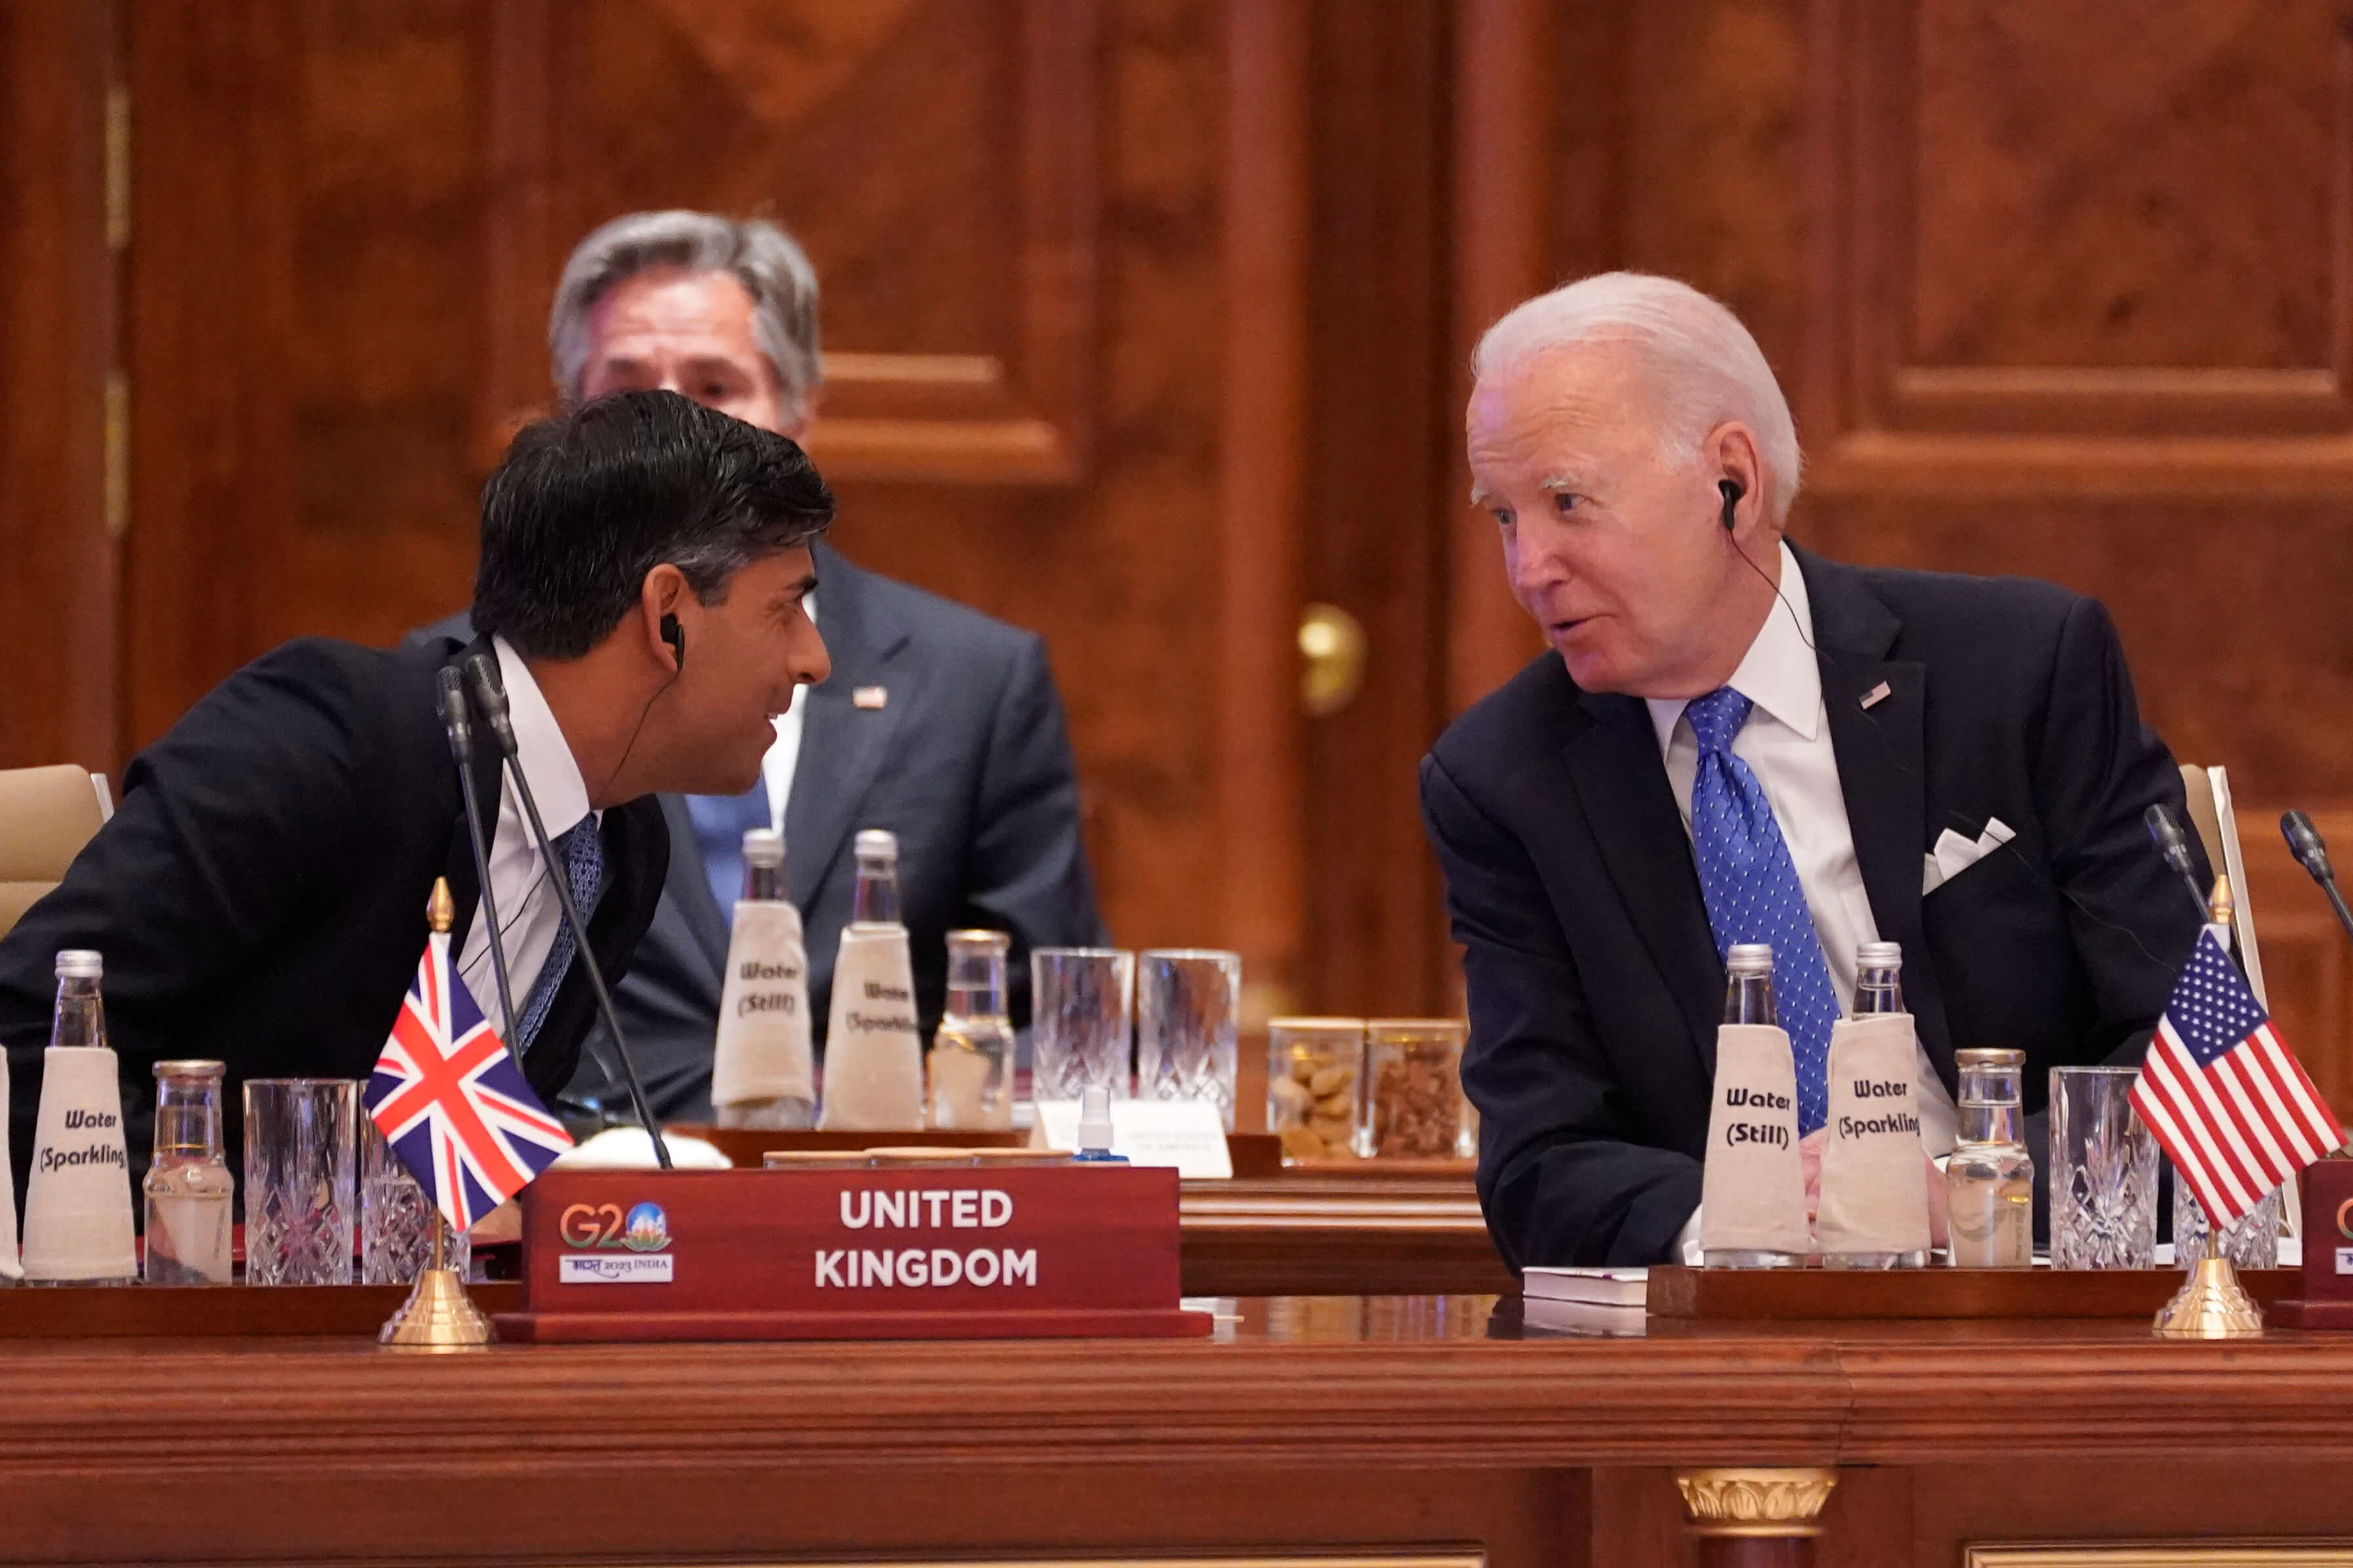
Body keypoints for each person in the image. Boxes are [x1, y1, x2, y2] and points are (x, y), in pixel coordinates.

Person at [1420, 272, 2207, 1269]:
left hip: (2036, 1302)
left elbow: (2201, 1062)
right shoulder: (1504, 779)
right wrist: (1745, 1214)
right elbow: (1539, 1164)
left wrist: (1968, 1197)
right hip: (1733, 1350)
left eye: (1568, 502)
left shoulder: (2016, 672)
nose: (1529, 565)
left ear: (1731, 483)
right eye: (1503, 516)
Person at [0, 390, 833, 1196]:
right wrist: (232, 1205)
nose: (813, 659)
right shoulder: (326, 736)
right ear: (668, 615)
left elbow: (457, 1174)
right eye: (785, 611)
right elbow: (28, 1036)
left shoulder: (621, 841)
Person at [425, 210, 1106, 1120]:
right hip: (582, 1189)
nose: (676, 430)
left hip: (871, 1207)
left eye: (714, 384)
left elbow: (1030, 1018)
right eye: (627, 390)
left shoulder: (974, 680)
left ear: (799, 411)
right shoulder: (478, 685)